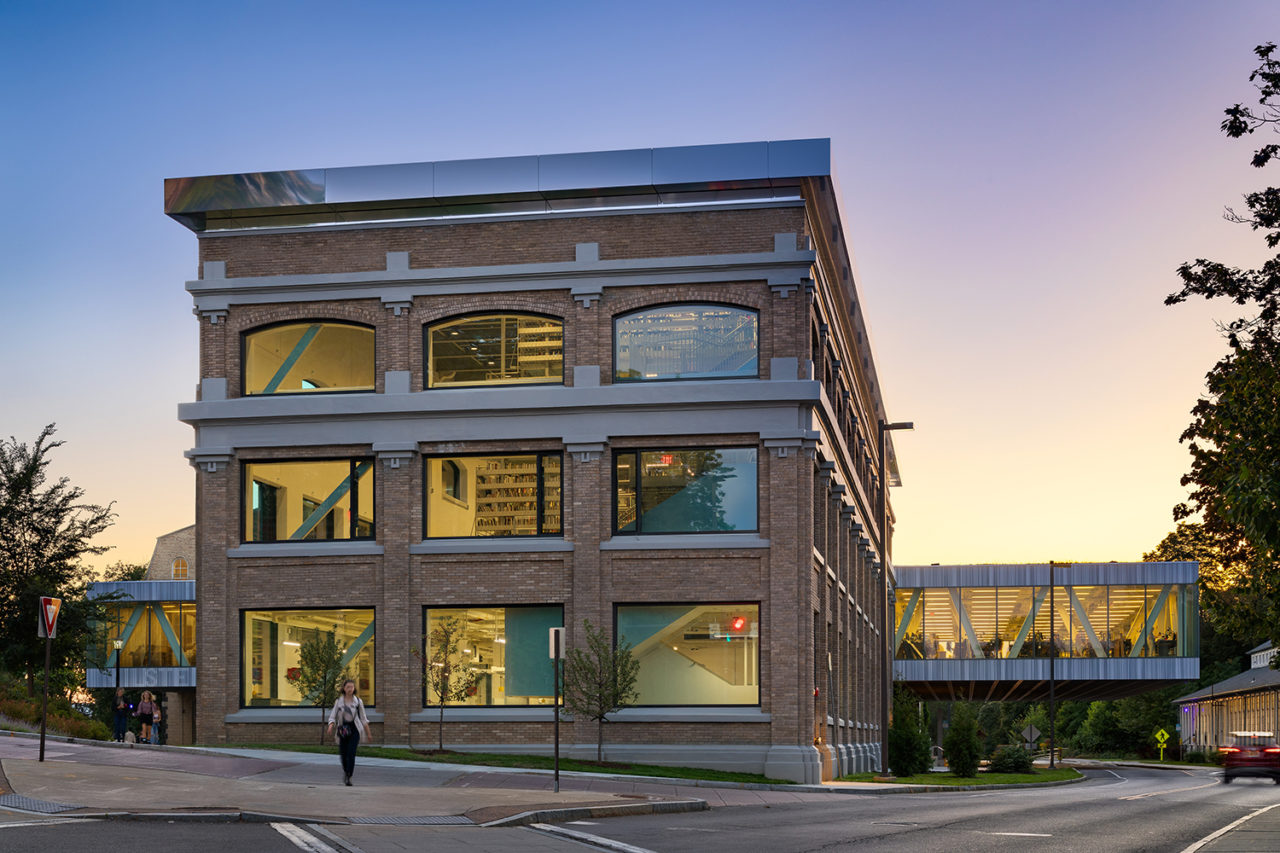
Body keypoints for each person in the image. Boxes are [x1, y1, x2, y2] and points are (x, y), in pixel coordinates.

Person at [326, 679, 371, 786]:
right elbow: (332, 716)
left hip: (354, 729)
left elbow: (364, 718)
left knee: (351, 753)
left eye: (352, 687)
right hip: (343, 729)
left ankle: (349, 775)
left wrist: (368, 733)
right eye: (348, 687)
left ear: (354, 689)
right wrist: (331, 726)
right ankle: (346, 771)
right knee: (343, 754)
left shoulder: (358, 701)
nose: (350, 689)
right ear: (344, 688)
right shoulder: (339, 701)